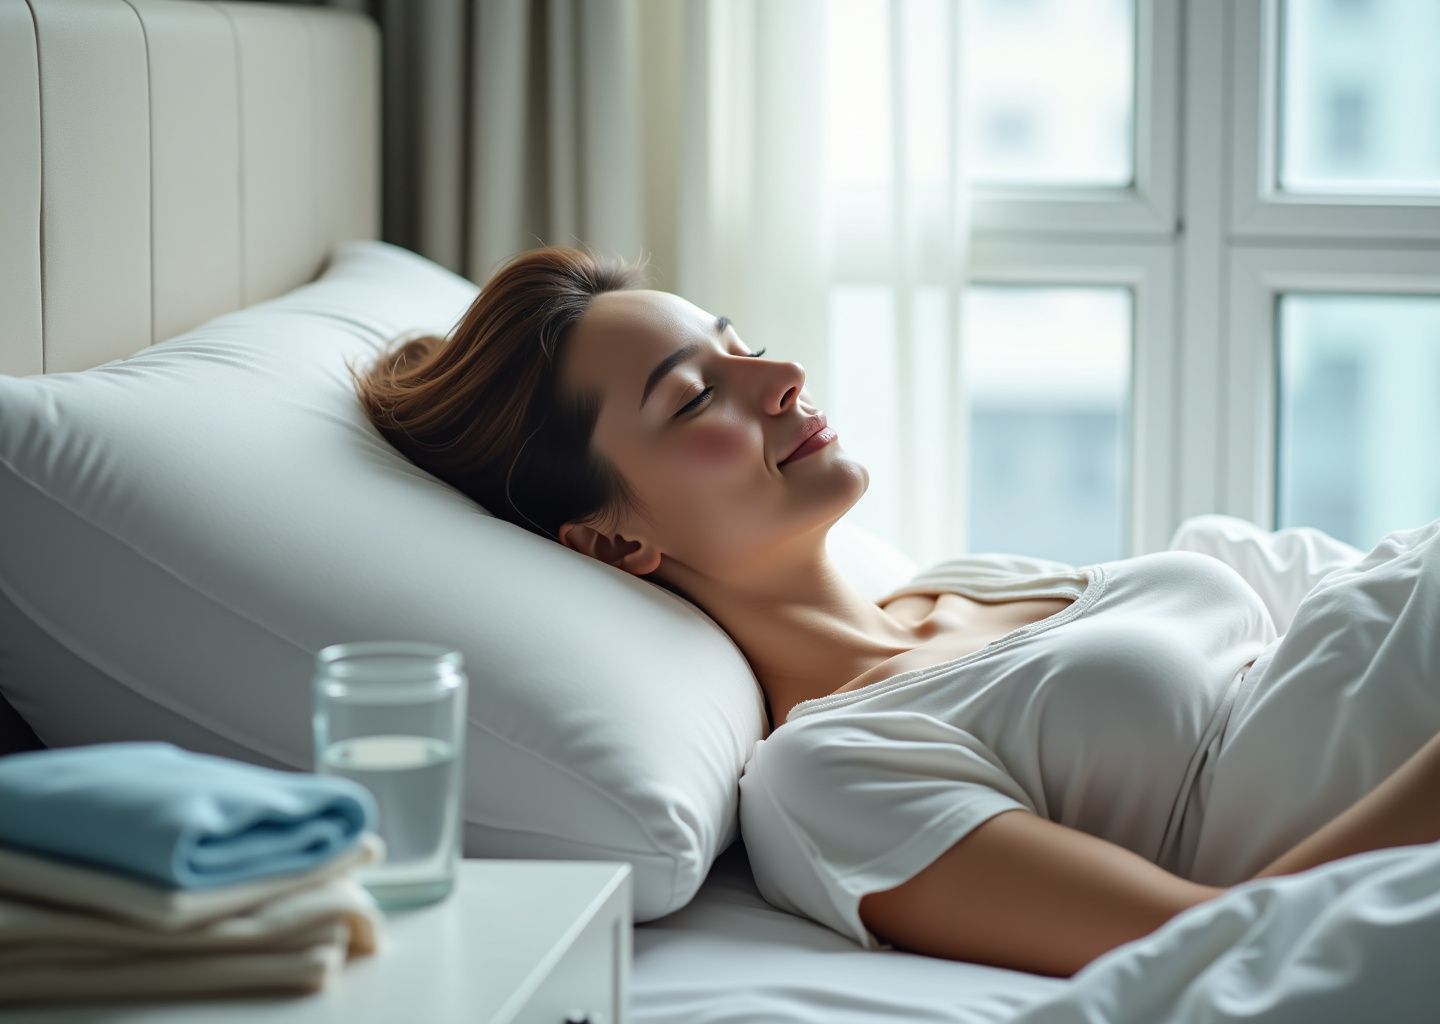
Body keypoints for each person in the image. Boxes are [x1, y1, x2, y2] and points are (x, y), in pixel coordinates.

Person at [350, 244, 1440, 979]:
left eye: (740, 344)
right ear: (618, 539)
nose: (780, 374)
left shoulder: (976, 576)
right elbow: (1207, 944)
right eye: (695, 397)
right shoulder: (830, 769)